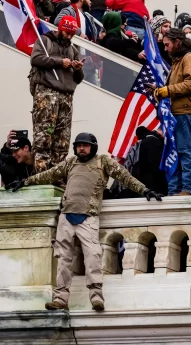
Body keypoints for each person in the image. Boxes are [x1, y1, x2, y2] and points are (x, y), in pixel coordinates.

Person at [8, 132, 162, 311]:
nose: (81, 148)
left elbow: (125, 177)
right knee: (63, 259)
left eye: (85, 145)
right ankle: (60, 299)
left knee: (93, 257)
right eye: (79, 145)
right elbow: (48, 175)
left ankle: (96, 298)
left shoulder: (103, 161)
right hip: (66, 216)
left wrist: (145, 191)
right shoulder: (70, 163)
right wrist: (25, 182)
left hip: (88, 217)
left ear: (93, 147)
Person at [150, 28, 191, 196]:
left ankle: (187, 188)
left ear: (177, 42)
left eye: (167, 45)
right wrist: (159, 90)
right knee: (173, 151)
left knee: (185, 150)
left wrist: (167, 90)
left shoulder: (190, 58)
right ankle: (174, 189)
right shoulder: (178, 60)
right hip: (175, 113)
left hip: (184, 112)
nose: (165, 48)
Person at [30, 15, 84, 173]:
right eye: (67, 33)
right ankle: (41, 174)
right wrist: (60, 62)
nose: (69, 37)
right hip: (47, 93)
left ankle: (57, 175)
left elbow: (78, 79)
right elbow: (36, 59)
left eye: (72, 35)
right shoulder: (45, 41)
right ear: (60, 29)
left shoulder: (73, 50)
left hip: (66, 97)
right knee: (43, 136)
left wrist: (78, 68)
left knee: (62, 141)